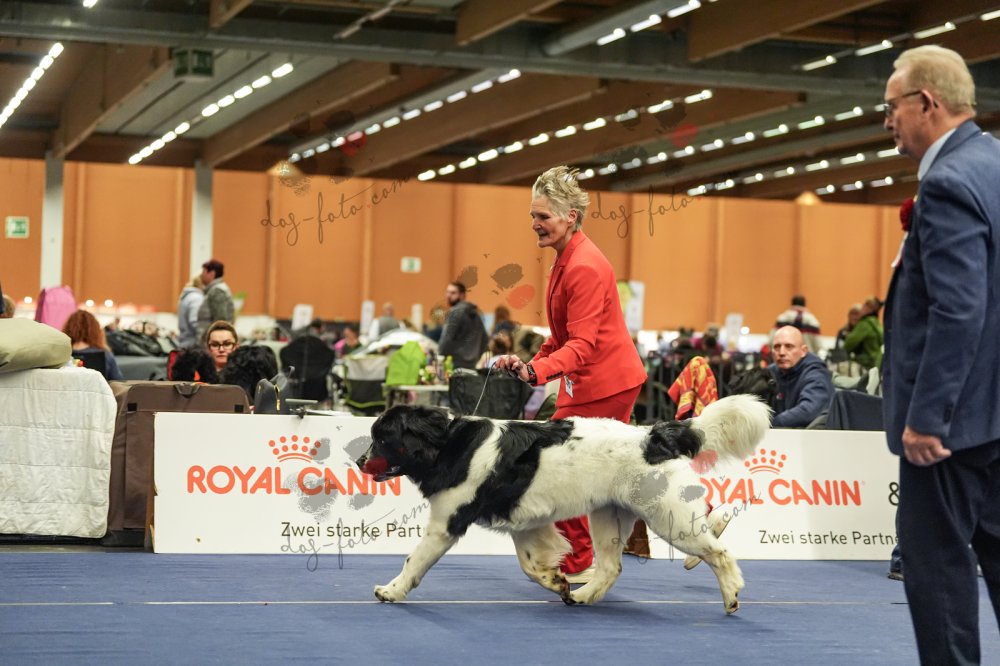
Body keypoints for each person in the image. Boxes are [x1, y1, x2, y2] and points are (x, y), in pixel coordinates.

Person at [882, 45, 1000, 665]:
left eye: (891, 107)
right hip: (995, 414)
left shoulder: (949, 182)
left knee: (938, 570)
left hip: (951, 427)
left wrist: (928, 417)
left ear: (927, 103)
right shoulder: (994, 164)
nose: (888, 121)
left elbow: (958, 309)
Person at [494, 165, 647, 582]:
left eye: (542, 216)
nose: (534, 224)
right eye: (533, 215)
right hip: (599, 381)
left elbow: (581, 346)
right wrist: (529, 365)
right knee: (617, 471)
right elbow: (562, 337)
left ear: (570, 218)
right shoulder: (568, 259)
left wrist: (537, 371)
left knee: (561, 468)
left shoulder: (583, 266)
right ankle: (701, 515)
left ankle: (577, 563)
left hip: (606, 383)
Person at [768, 325, 833, 428]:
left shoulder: (815, 372)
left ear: (803, 351)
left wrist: (770, 424)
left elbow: (809, 410)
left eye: (789, 346)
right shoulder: (770, 372)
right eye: (777, 347)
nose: (782, 352)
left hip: (807, 435)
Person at [437, 282, 489, 370]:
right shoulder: (476, 313)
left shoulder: (455, 312)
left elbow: (447, 338)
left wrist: (439, 354)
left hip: (454, 363)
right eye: (447, 292)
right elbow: (485, 339)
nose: (448, 295)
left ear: (462, 295)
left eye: (453, 293)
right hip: (472, 363)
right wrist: (476, 356)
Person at [62, 310, 124, 380]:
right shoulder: (105, 354)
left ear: (68, 328)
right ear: (95, 330)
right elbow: (118, 381)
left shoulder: (60, 354)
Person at [196, 259, 234, 341]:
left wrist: (208, 339)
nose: (201, 275)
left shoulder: (217, 291)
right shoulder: (215, 289)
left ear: (212, 274)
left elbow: (220, 321)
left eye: (204, 272)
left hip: (213, 342)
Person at [843, 296, 883, 371]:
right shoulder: (876, 323)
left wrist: (848, 336)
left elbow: (848, 345)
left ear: (868, 309)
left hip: (865, 364)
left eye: (864, 306)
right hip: (876, 364)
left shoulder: (864, 324)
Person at [176, 274, 204, 349]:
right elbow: (194, 322)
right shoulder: (197, 298)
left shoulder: (187, 296)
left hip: (185, 343)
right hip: (193, 345)